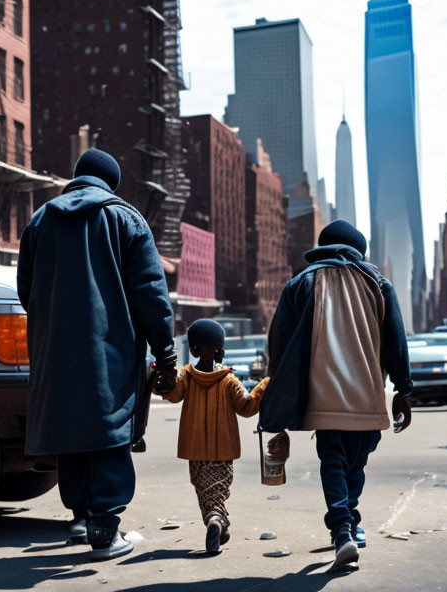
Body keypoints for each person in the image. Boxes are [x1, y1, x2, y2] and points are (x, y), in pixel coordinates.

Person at [17, 149, 177, 561]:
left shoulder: (40, 220)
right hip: (110, 350)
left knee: (69, 431)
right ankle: (104, 528)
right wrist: (166, 352)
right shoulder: (125, 219)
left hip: (54, 352)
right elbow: (151, 297)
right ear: (111, 183)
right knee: (108, 433)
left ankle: (80, 519)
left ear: (77, 177)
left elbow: (26, 291)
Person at [259, 220, 412, 570]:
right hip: (367, 391)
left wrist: (276, 397)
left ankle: (343, 526)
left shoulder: (300, 283)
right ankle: (348, 523)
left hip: (322, 392)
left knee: (333, 458)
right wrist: (403, 389)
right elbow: (396, 340)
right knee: (356, 462)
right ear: (360, 251)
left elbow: (278, 347)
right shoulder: (378, 283)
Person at [154, 319, 269, 554]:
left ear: (193, 350)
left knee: (204, 491)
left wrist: (162, 383)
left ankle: (216, 521)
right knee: (218, 490)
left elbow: (174, 394)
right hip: (222, 450)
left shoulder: (186, 376)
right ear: (221, 351)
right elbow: (247, 407)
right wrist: (266, 384)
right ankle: (217, 520)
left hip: (195, 450)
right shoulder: (228, 380)